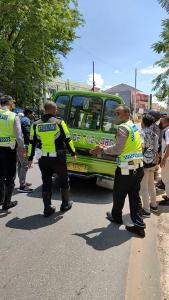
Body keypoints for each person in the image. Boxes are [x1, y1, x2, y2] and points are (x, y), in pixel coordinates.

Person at [91, 105, 145, 238]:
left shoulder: (122, 128)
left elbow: (117, 149)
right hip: (138, 167)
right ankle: (139, 226)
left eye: (119, 113)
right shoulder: (133, 126)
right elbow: (140, 145)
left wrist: (102, 149)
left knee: (119, 194)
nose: (116, 116)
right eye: (116, 113)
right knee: (134, 196)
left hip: (126, 168)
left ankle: (116, 217)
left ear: (127, 114)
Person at [28, 101, 76, 217]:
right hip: (58, 158)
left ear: (44, 110)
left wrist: (30, 158)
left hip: (43, 158)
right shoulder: (59, 122)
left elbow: (31, 143)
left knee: (46, 182)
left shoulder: (35, 124)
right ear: (55, 110)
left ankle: (47, 209)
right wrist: (73, 152)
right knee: (64, 181)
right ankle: (65, 205)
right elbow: (68, 139)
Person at [0, 95, 25, 210]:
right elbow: (19, 137)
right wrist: (22, 149)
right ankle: (7, 202)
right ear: (9, 103)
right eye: (13, 103)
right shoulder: (13, 116)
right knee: (9, 177)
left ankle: (0, 199)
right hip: (8, 151)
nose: (14, 104)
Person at [140, 114, 159, 217]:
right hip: (152, 162)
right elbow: (156, 150)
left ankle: (146, 210)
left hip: (144, 163)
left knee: (144, 187)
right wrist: (156, 163)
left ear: (143, 122)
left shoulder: (141, 133)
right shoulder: (154, 135)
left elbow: (142, 146)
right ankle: (154, 205)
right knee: (151, 184)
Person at [17, 108, 35, 193]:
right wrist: (31, 143)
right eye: (32, 113)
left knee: (20, 164)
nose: (33, 115)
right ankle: (22, 186)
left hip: (19, 145)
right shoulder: (26, 120)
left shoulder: (23, 119)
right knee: (24, 165)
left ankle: (22, 181)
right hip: (23, 146)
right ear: (28, 113)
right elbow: (27, 134)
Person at [158, 116, 169, 205]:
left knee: (166, 178)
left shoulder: (168, 131)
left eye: (163, 122)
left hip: (168, 159)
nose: (161, 123)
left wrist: (164, 159)